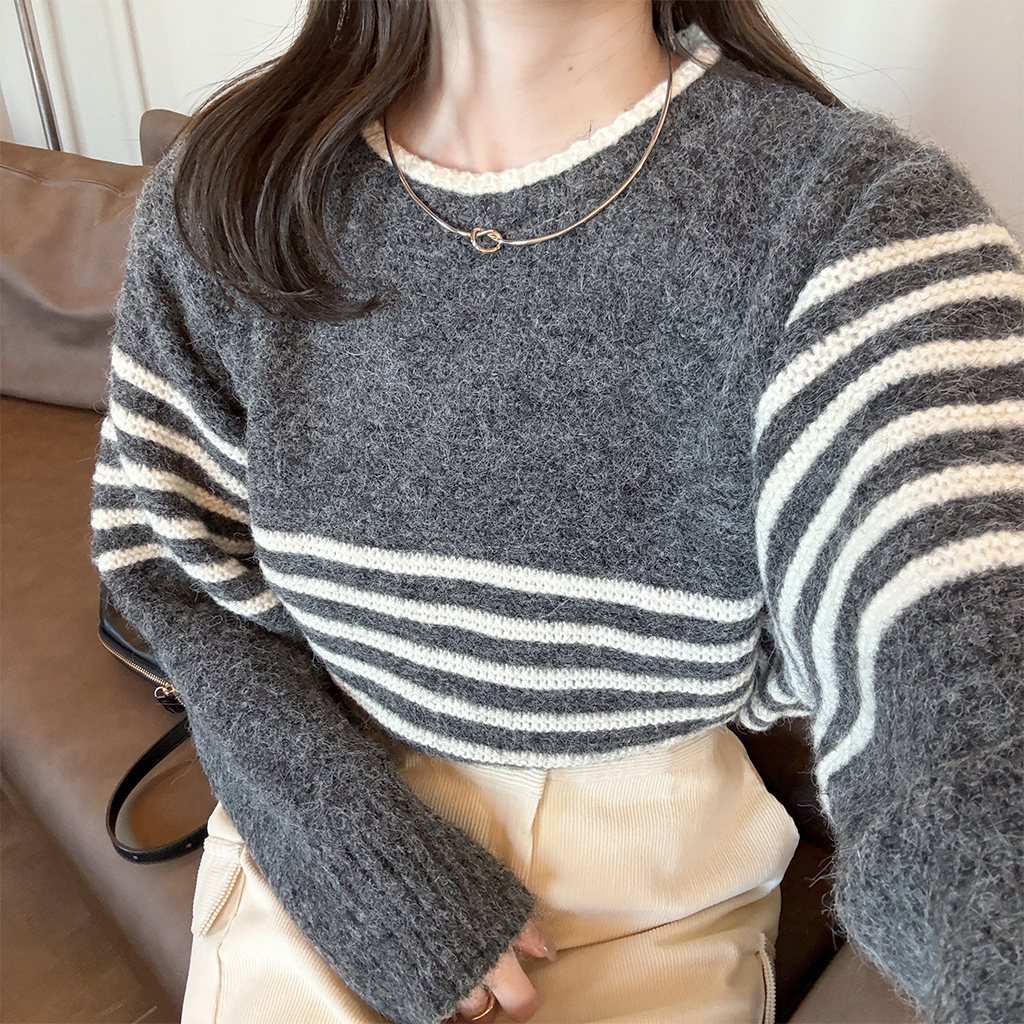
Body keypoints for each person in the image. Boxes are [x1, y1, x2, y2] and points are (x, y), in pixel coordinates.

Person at [90, 1, 1023, 1022]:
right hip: (316, 816)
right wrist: (347, 851)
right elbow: (173, 569)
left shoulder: (862, 223)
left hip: (657, 876)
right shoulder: (234, 188)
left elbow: (968, 692)